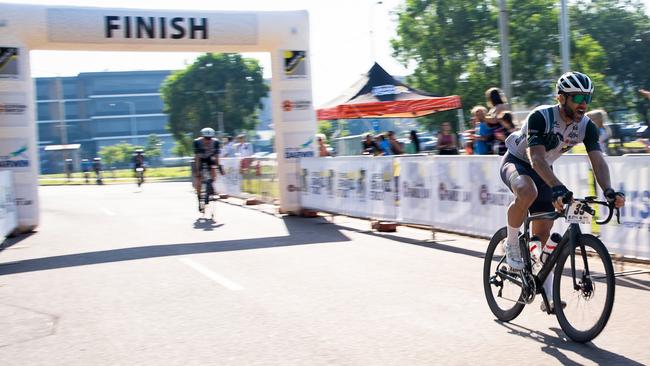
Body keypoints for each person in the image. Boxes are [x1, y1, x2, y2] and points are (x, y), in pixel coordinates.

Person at [500, 71, 625, 312]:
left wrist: (608, 191)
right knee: (527, 192)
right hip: (518, 161)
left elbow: (598, 162)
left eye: (587, 98)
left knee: (545, 231)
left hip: (544, 169)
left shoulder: (587, 127)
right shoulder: (541, 117)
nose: (583, 104)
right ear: (561, 98)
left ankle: (545, 289)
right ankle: (512, 242)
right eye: (577, 97)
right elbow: (535, 158)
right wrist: (556, 187)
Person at [193, 127, 221, 212]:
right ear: (202, 136)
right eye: (206, 138)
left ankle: (211, 185)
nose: (208, 140)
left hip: (209, 158)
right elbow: (197, 157)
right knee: (198, 178)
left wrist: (218, 166)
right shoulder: (197, 142)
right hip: (200, 159)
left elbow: (216, 157)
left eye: (209, 138)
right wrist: (198, 171)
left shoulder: (216, 142)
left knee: (213, 168)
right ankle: (199, 200)